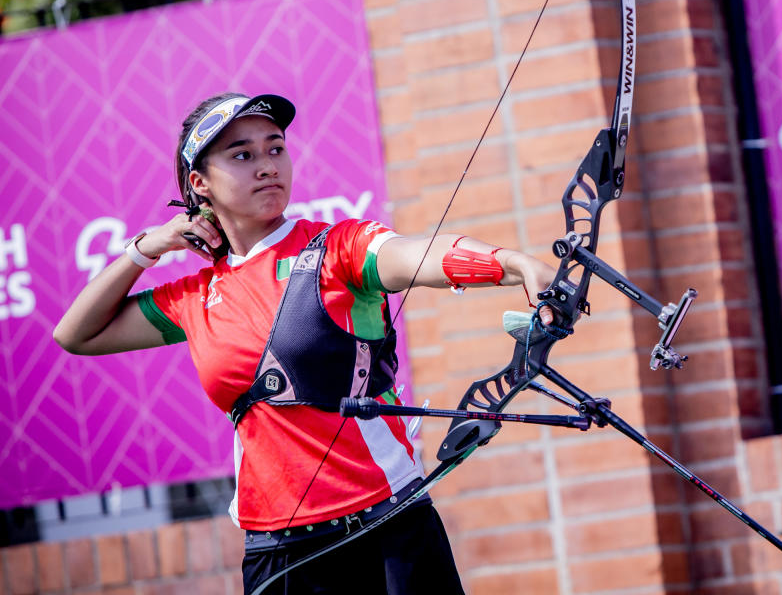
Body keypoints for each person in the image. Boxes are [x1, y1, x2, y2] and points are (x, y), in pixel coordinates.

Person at [53, 92, 559, 594]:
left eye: (276, 148)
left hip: (385, 529)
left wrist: (512, 264)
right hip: (277, 551)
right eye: (242, 155)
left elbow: (415, 256)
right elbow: (76, 333)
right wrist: (147, 248)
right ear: (198, 184)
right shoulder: (195, 295)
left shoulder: (337, 249)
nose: (268, 165)